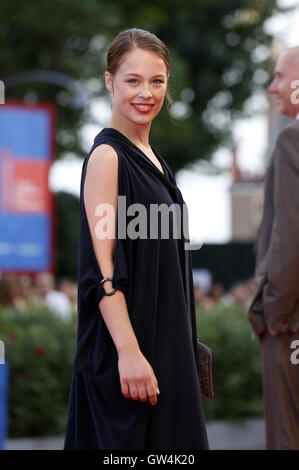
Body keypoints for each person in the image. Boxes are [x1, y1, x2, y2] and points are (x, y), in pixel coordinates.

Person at [63, 28, 209, 450]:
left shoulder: (156, 160)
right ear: (109, 81)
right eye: (132, 80)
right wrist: (129, 353)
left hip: (165, 357)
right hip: (126, 365)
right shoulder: (108, 158)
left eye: (157, 80)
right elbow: (102, 273)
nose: (146, 92)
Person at [248, 47, 299, 450]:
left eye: (280, 76)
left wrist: (273, 315)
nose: (272, 87)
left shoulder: (292, 139)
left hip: (290, 325)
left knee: (287, 436)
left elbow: (289, 235)